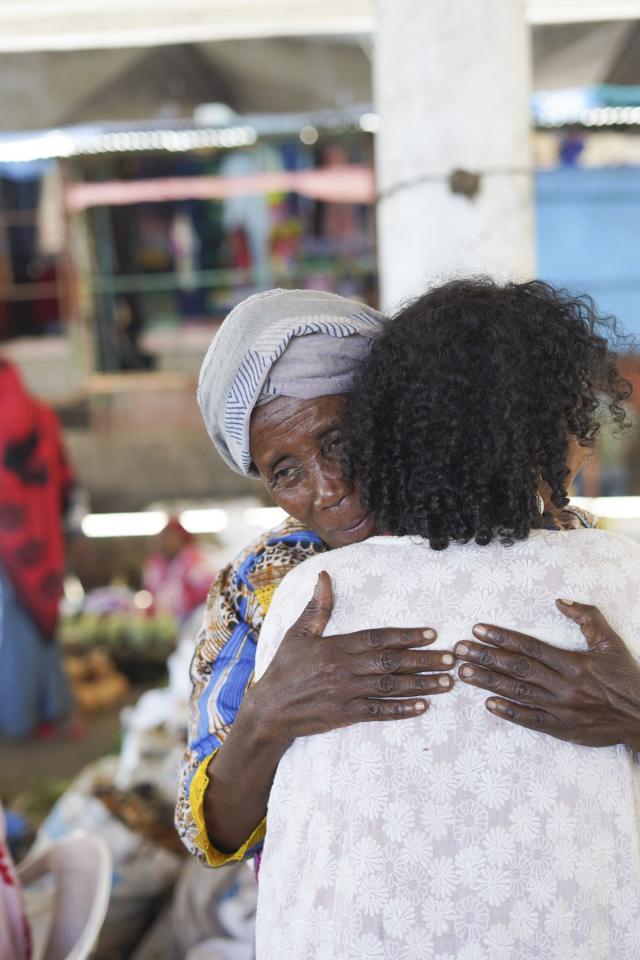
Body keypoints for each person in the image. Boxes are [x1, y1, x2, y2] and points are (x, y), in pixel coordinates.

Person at [175, 287, 640, 873]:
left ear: (400, 415)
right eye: (285, 472)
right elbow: (208, 834)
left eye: (340, 441)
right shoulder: (264, 583)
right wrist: (269, 715)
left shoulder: (565, 548)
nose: (328, 488)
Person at [0, 360, 74, 739]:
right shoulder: (43, 417)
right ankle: (51, 708)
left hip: (7, 544)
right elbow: (65, 479)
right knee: (40, 626)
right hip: (42, 541)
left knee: (11, 631)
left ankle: (19, 719)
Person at [143, 517, 216, 622]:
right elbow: (150, 596)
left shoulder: (194, 563)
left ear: (181, 539)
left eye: (170, 537)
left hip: (193, 622)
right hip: (166, 622)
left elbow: (211, 595)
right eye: (162, 538)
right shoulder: (156, 565)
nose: (165, 542)